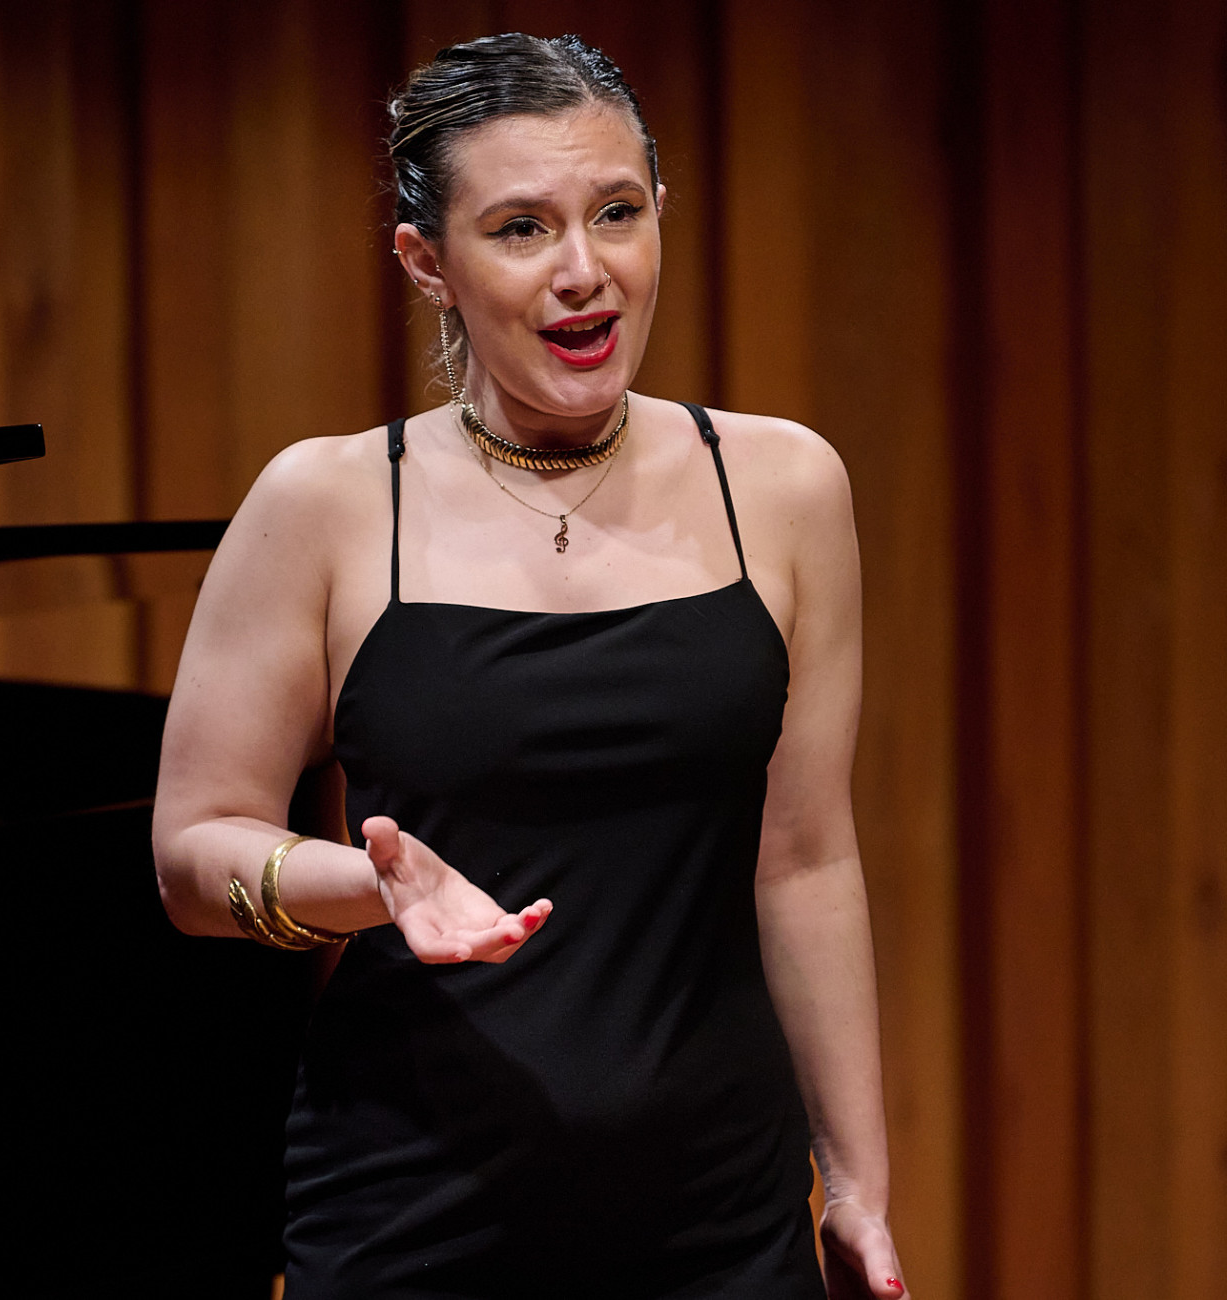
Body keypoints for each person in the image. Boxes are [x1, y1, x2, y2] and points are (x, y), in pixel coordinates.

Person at [152, 32, 908, 1300]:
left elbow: (806, 858)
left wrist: (860, 1181)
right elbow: (192, 855)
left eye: (617, 213)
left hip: (720, 1212)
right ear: (427, 263)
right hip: (415, 1211)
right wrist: (370, 887)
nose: (583, 272)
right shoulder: (327, 505)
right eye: (520, 229)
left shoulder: (784, 486)